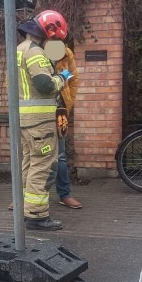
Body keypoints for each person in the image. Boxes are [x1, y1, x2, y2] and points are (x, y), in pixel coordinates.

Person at [15, 10, 71, 231]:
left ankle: (27, 208)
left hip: (25, 121)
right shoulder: (35, 52)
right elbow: (44, 85)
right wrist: (61, 79)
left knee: (29, 164)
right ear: (48, 31)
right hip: (40, 122)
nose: (54, 41)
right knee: (43, 166)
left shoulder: (19, 50)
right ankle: (37, 216)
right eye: (55, 37)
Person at [55, 46, 82, 209]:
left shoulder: (65, 52)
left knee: (60, 156)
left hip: (59, 112)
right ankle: (21, 196)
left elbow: (73, 80)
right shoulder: (28, 51)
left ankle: (64, 194)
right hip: (35, 112)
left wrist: (68, 102)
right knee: (30, 155)